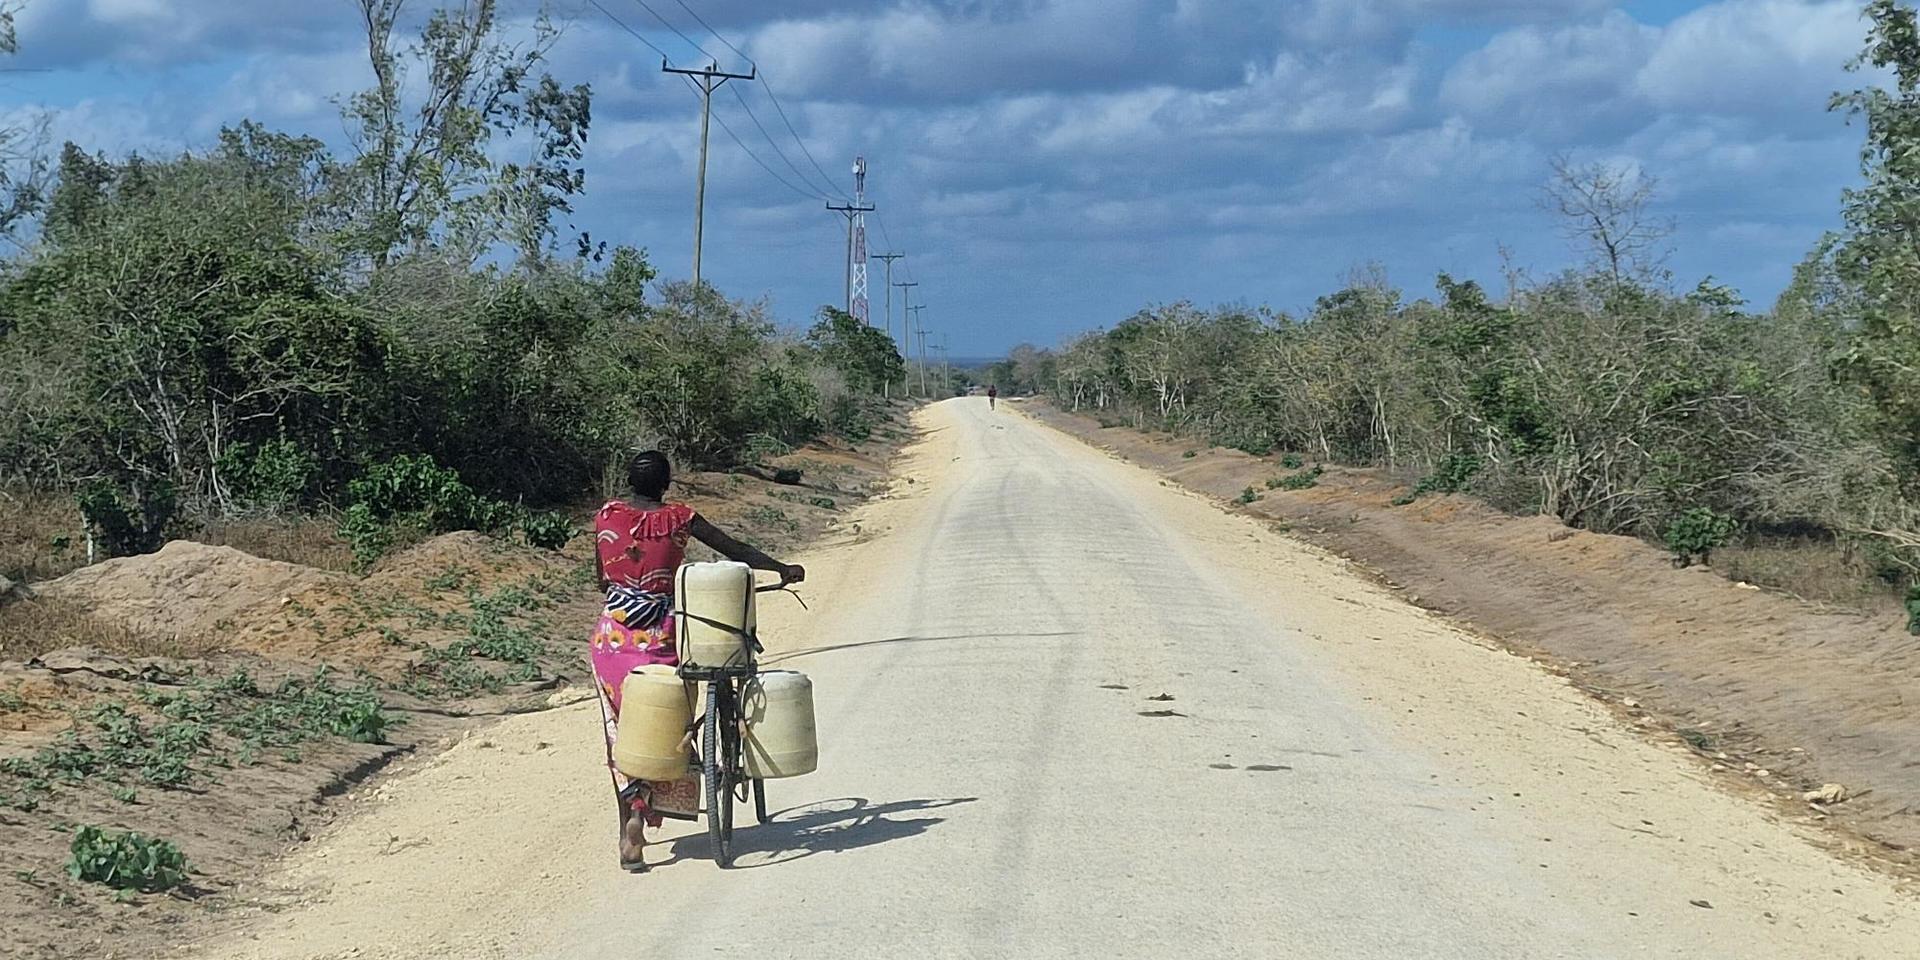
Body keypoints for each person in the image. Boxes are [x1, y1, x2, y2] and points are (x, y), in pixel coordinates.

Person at [591, 450, 804, 872]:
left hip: (611, 641)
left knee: (621, 732)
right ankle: (657, 796)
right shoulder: (679, 518)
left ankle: (630, 830)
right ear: (666, 483)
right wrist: (781, 568)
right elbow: (734, 550)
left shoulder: (607, 516)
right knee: (668, 724)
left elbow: (601, 578)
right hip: (663, 640)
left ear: (629, 482)